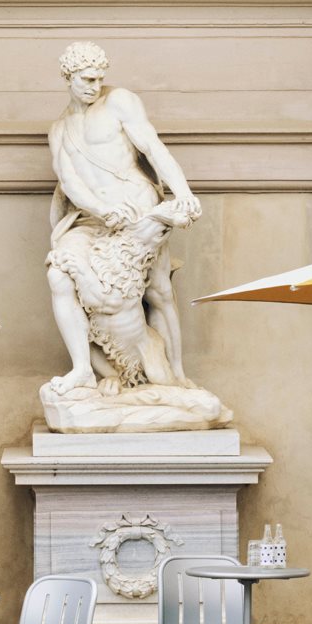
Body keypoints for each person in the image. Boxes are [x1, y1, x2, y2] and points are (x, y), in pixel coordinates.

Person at [44, 41, 200, 395]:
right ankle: (83, 369)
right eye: (86, 79)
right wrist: (100, 210)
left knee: (158, 291)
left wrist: (182, 191)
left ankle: (176, 374)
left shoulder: (119, 102)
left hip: (137, 207)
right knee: (58, 274)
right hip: (93, 219)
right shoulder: (59, 129)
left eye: (99, 79)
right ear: (68, 77)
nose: (93, 86)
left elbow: (152, 148)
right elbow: (69, 182)